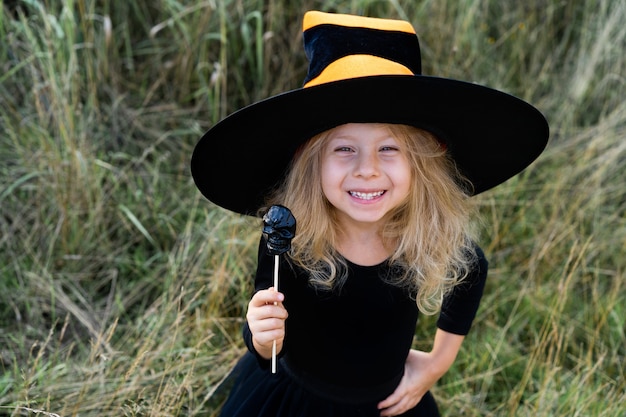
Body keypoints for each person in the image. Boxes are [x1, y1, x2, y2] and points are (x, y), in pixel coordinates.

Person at [191, 10, 549, 417]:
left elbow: (473, 269)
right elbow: (268, 344)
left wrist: (438, 362)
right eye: (344, 148)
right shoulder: (291, 236)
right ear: (310, 162)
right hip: (295, 400)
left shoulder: (424, 236)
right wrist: (261, 336)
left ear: (421, 164)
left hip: (385, 405)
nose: (367, 169)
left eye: (390, 148)